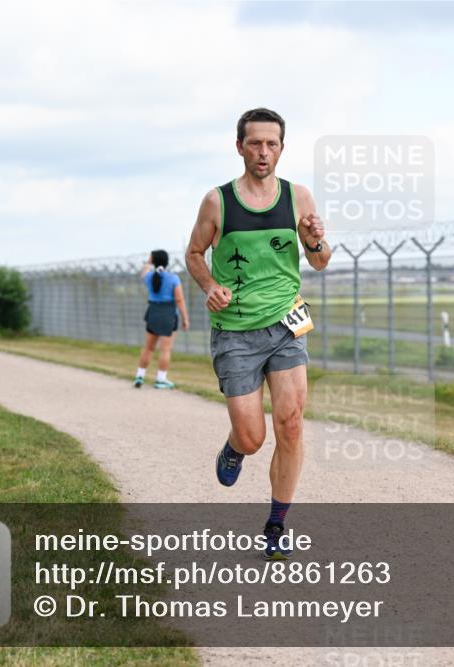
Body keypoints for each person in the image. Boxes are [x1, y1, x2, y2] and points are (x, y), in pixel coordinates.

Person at [185, 108, 331, 560]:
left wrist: (315, 239)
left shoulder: (298, 197)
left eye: (272, 144)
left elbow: (320, 260)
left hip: (286, 325)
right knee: (252, 437)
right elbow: (193, 253)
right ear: (239, 147)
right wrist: (210, 286)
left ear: (282, 149)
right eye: (255, 144)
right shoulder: (218, 201)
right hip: (236, 333)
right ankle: (234, 449)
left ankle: (276, 523)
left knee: (290, 423)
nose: (263, 152)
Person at [135, 250, 189, 389]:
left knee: (148, 348)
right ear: (167, 261)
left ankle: (140, 376)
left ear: (153, 261)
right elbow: (179, 299)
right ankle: (160, 380)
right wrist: (185, 318)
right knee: (165, 350)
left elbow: (144, 272)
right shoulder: (173, 278)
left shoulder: (149, 277)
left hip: (152, 312)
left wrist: (149, 262)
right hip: (169, 315)